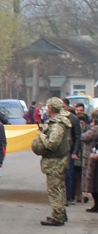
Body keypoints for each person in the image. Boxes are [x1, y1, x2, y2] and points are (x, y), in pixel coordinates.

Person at [35, 97, 72, 226]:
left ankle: (57, 216)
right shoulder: (62, 122)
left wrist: (41, 135)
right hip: (59, 160)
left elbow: (52, 144)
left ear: (51, 108)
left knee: (54, 189)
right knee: (60, 188)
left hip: (55, 162)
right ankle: (60, 212)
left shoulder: (57, 125)